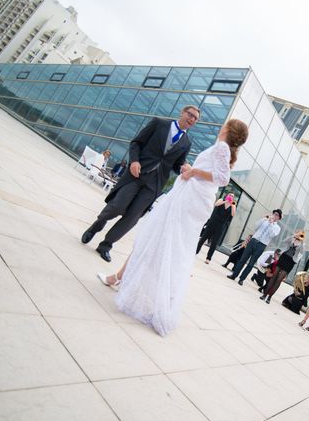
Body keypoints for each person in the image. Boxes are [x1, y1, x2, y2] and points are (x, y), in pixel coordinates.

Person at [96, 119, 248, 335]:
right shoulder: (222, 148)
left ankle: (125, 282)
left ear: (228, 130)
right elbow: (213, 175)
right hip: (190, 199)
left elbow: (223, 178)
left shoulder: (222, 147)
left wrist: (193, 172)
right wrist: (192, 170)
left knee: (156, 240)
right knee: (158, 242)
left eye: (226, 124)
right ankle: (121, 279)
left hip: (188, 201)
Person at [82, 106, 199, 262]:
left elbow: (176, 165)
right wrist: (134, 161)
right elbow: (136, 143)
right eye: (190, 114)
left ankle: (106, 245)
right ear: (182, 113)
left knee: (132, 217)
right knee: (117, 206)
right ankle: (97, 224)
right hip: (137, 174)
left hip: (154, 184)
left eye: (195, 118)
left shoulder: (186, 143)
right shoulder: (159, 123)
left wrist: (183, 168)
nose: (191, 119)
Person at [227, 210, 282, 285]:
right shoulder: (265, 220)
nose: (274, 216)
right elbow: (256, 226)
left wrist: (271, 223)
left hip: (261, 245)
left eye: (277, 215)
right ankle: (234, 275)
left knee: (251, 263)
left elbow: (272, 235)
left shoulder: (277, 227)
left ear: (279, 218)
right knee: (242, 259)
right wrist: (264, 219)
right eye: (274, 214)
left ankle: (242, 279)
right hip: (253, 241)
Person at [260, 230, 305, 304]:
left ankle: (269, 297)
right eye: (300, 234)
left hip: (291, 261)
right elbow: (284, 241)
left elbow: (302, 251)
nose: (300, 236)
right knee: (274, 276)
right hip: (283, 257)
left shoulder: (302, 244)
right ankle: (264, 295)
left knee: (279, 279)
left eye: (301, 235)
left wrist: (302, 241)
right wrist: (294, 236)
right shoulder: (292, 238)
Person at [196, 194, 237, 263]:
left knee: (214, 243)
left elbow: (233, 214)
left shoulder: (233, 205)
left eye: (233, 196)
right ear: (227, 195)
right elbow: (216, 204)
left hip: (220, 226)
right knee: (203, 238)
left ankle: (208, 258)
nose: (231, 196)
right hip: (212, 223)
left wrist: (232, 205)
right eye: (230, 195)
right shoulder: (221, 200)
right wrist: (225, 201)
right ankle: (196, 251)